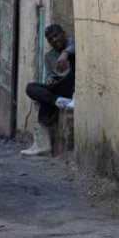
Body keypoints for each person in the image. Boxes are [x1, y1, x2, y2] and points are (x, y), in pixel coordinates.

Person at [21, 24, 75, 156]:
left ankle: (42, 145)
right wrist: (50, 80)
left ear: (63, 33)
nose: (54, 40)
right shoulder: (48, 56)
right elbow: (49, 74)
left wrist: (66, 53)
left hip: (72, 83)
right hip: (59, 89)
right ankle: (59, 101)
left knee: (72, 65)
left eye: (56, 35)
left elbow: (75, 47)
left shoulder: (73, 41)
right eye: (50, 38)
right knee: (31, 88)